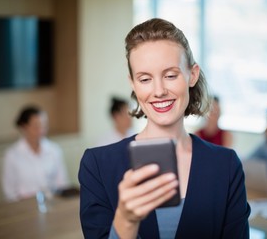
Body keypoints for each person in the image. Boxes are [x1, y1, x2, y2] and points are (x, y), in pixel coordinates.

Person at [78, 18, 250, 239]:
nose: (158, 91)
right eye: (145, 79)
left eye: (170, 75)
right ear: (132, 83)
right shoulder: (98, 166)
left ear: (192, 75)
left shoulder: (225, 165)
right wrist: (126, 221)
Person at [2, 105, 70, 202]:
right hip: (24, 207)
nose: (41, 130)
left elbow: (63, 184)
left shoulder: (54, 150)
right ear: (24, 126)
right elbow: (9, 193)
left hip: (52, 204)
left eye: (44, 125)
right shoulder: (12, 155)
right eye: (36, 126)